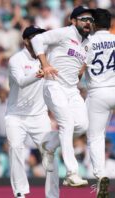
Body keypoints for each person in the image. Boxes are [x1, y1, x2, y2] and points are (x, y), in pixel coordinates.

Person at [31, 6, 95, 187]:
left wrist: (78, 78)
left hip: (71, 90)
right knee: (66, 123)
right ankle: (71, 172)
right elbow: (37, 39)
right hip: (54, 84)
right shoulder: (65, 33)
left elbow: (81, 66)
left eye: (90, 19)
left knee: (82, 125)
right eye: (83, 19)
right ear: (73, 21)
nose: (87, 22)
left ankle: (49, 143)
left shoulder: (88, 43)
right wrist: (45, 64)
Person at [5, 25, 59, 198]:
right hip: (15, 116)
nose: (39, 42)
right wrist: (41, 72)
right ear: (26, 41)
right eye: (35, 38)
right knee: (15, 149)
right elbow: (21, 81)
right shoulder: (16, 59)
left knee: (49, 155)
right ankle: (20, 192)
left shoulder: (47, 57)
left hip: (39, 116)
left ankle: (53, 195)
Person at [84, 8, 113, 197]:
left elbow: (78, 69)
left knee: (95, 136)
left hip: (98, 92)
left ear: (93, 23)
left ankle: (101, 175)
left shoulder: (87, 43)